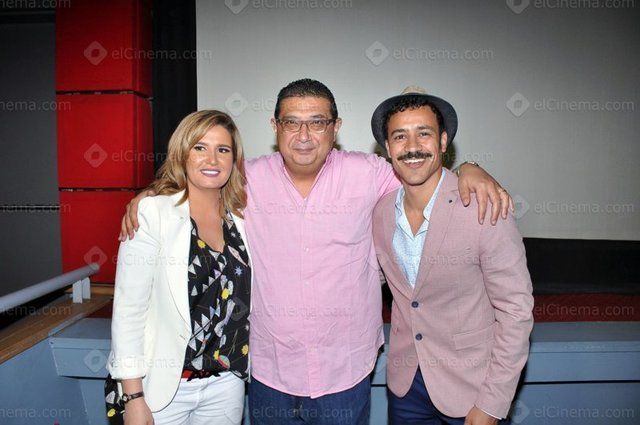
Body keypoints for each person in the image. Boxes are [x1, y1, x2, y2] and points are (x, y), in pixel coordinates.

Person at [120, 79, 513, 424]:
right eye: (292, 122)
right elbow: (198, 178)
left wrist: (469, 168)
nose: (304, 135)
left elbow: (422, 171)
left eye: (318, 122)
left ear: (336, 128)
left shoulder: (370, 173)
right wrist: (150, 196)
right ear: (275, 127)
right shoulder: (246, 179)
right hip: (269, 373)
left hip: (345, 374)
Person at [370, 87, 534, 424]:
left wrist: (492, 402)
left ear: (443, 142)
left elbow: (516, 311)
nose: (412, 146)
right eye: (400, 136)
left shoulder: (484, 206)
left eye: (424, 133)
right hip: (405, 385)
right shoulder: (381, 213)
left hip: (472, 388)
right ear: (387, 147)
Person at [107, 110, 253, 425]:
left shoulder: (242, 220)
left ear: (233, 159)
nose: (212, 159)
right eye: (200, 147)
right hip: (163, 388)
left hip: (226, 384)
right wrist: (133, 397)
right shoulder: (153, 213)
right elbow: (129, 310)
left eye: (223, 149)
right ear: (182, 153)